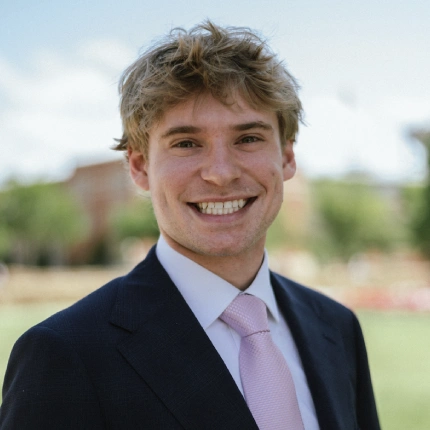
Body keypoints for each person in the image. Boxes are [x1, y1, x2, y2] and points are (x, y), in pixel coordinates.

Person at [0, 21, 380, 429]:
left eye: (248, 138)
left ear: (287, 157)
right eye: (186, 143)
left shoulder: (336, 327)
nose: (220, 173)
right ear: (140, 167)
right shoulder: (66, 355)